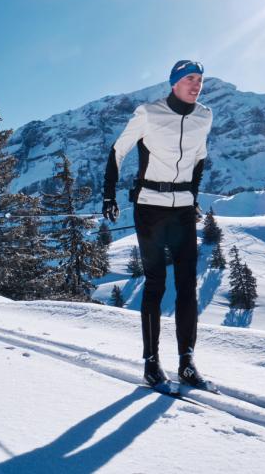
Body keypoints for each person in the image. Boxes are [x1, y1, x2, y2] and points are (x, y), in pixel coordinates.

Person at [102, 61, 213, 389]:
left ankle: (187, 363)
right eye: (190, 79)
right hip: (149, 207)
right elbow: (117, 151)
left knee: (187, 286)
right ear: (175, 83)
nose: (196, 85)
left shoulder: (204, 116)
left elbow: (199, 160)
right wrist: (109, 195)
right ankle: (151, 363)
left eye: (200, 80)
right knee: (155, 284)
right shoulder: (149, 113)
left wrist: (192, 198)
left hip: (181, 211)